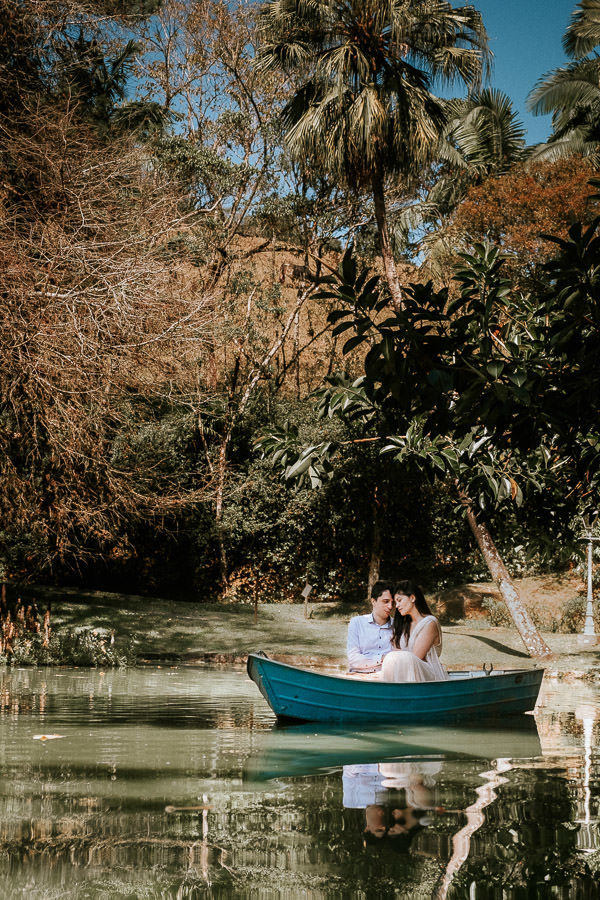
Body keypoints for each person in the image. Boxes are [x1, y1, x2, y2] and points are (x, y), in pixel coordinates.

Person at [381, 580, 448, 683]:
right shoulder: (403, 624)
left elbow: (415, 658)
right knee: (391, 658)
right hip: (405, 673)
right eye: (396, 602)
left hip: (427, 676)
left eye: (399, 600)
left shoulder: (429, 623)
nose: (397, 606)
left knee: (398, 658)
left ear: (412, 598)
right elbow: (395, 651)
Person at [346, 581, 394, 673]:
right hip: (358, 676)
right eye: (386, 601)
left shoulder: (397, 626)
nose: (390, 606)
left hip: (386, 677)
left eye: (393, 602)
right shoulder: (357, 623)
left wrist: (367, 659)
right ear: (373, 601)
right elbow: (353, 659)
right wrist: (383, 658)